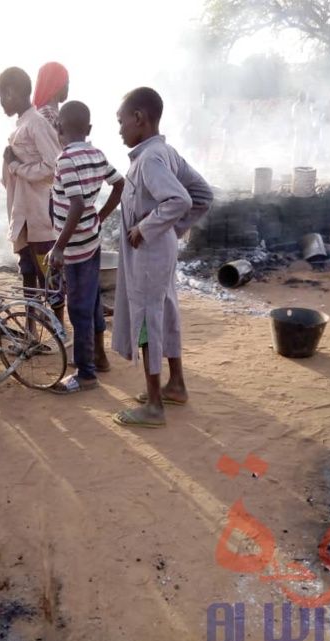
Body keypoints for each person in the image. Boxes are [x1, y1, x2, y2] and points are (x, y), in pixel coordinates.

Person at [112, 88, 213, 428]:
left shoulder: (150, 160)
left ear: (139, 118)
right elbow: (202, 194)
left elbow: (181, 199)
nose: (120, 129)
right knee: (164, 311)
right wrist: (174, 229)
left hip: (149, 253)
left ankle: (154, 404)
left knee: (146, 319)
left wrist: (148, 227)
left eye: (121, 121)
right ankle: (176, 385)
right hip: (159, 250)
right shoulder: (163, 152)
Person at [46, 101, 124, 394]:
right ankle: (97, 358)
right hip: (91, 242)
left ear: (59, 129)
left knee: (79, 308)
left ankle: (86, 373)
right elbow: (120, 185)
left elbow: (76, 204)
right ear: (88, 129)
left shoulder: (65, 159)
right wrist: (100, 216)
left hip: (75, 248)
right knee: (91, 303)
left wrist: (59, 247)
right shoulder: (97, 153)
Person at [0, 67, 65, 326]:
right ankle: (30, 328)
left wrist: (16, 167)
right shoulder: (23, 124)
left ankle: (59, 329)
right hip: (23, 212)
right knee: (28, 271)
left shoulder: (36, 123)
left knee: (47, 273)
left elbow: (53, 168)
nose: (1, 102)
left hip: (39, 211)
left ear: (12, 93)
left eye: (2, 96)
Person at [33, 62, 69, 131]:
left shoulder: (49, 113)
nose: (67, 88)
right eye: (67, 82)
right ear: (59, 84)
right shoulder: (48, 114)